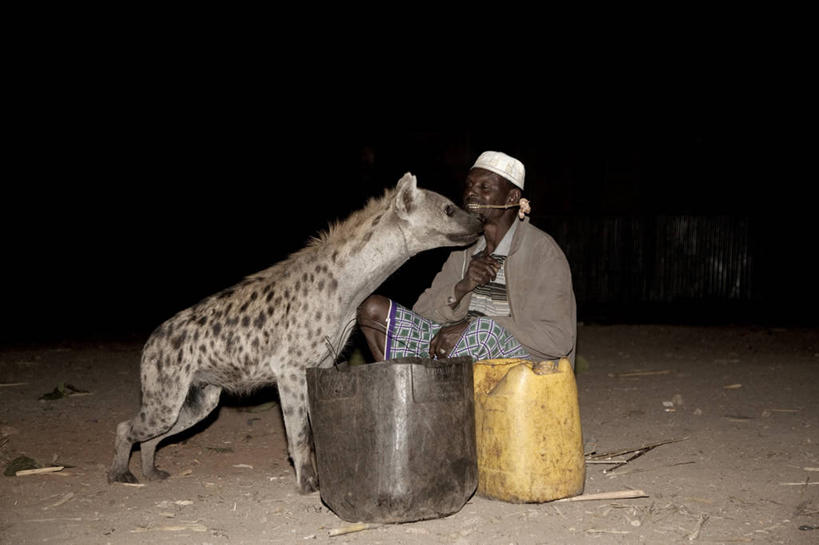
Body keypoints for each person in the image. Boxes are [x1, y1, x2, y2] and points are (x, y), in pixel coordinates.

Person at [357, 151, 577, 366]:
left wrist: (478, 327)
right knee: (373, 310)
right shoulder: (466, 250)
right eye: (469, 185)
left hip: (518, 364)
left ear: (512, 198)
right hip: (458, 349)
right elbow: (422, 312)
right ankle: (409, 393)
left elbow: (559, 338)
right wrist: (462, 287)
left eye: (484, 187)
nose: (472, 193)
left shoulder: (541, 252)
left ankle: (438, 388)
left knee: (482, 331)